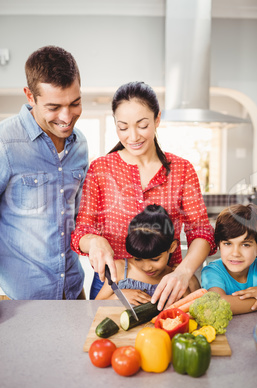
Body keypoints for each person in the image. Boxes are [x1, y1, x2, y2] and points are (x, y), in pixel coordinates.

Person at [71, 81, 216, 309]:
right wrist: (95, 241)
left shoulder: (182, 169)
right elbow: (82, 232)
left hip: (169, 286)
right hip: (114, 287)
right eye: (123, 127)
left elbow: (202, 232)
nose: (133, 136)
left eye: (142, 125)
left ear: (157, 119)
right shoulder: (100, 169)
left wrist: (183, 272)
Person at [0, 46, 88, 299]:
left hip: (72, 290)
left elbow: (80, 217)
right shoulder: (5, 143)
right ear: (30, 96)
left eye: (75, 103)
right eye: (53, 107)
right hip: (19, 297)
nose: (66, 117)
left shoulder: (80, 144)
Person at [96, 204, 200, 304]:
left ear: (172, 247)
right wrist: (118, 296)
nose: (147, 267)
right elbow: (94, 304)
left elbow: (194, 307)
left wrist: (188, 286)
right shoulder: (120, 269)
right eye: (138, 259)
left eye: (155, 259)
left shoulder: (177, 276)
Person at [201, 203, 257, 314]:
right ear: (219, 245)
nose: (235, 253)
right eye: (228, 244)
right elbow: (220, 304)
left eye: (245, 245)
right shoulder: (212, 272)